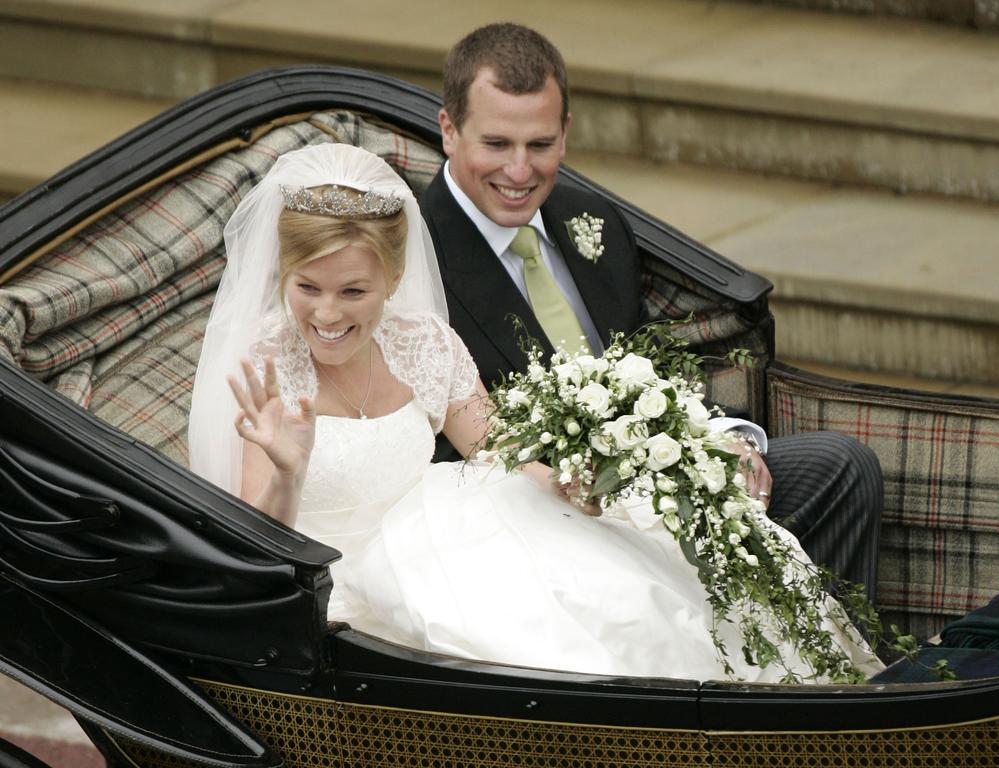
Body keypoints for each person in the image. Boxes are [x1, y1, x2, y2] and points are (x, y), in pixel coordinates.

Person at [187, 142, 882, 683]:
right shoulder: (266, 365)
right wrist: (287, 467)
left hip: (453, 531)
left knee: (636, 587)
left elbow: (498, 448)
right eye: (307, 287)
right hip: (354, 584)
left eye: (353, 291)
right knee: (550, 642)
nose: (327, 314)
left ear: (392, 282)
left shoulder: (424, 342)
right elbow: (261, 559)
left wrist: (578, 480)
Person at [421, 23, 884, 601]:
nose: (519, 172)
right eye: (497, 145)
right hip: (534, 518)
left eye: (539, 145)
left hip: (657, 474)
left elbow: (651, 370)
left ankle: (836, 684)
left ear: (565, 134)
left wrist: (723, 440)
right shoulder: (413, 250)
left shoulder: (595, 221)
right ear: (449, 130)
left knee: (844, 467)